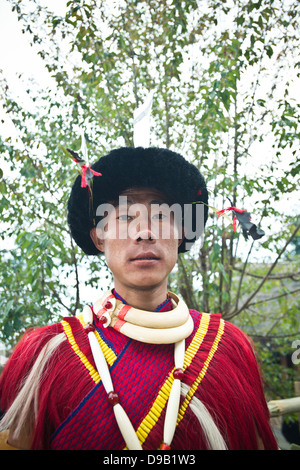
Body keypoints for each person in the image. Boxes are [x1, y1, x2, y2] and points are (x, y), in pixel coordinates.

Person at [0, 146, 278, 450]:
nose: (144, 232)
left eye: (160, 214)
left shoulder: (228, 347)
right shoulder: (48, 355)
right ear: (99, 237)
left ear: (181, 231)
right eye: (125, 216)